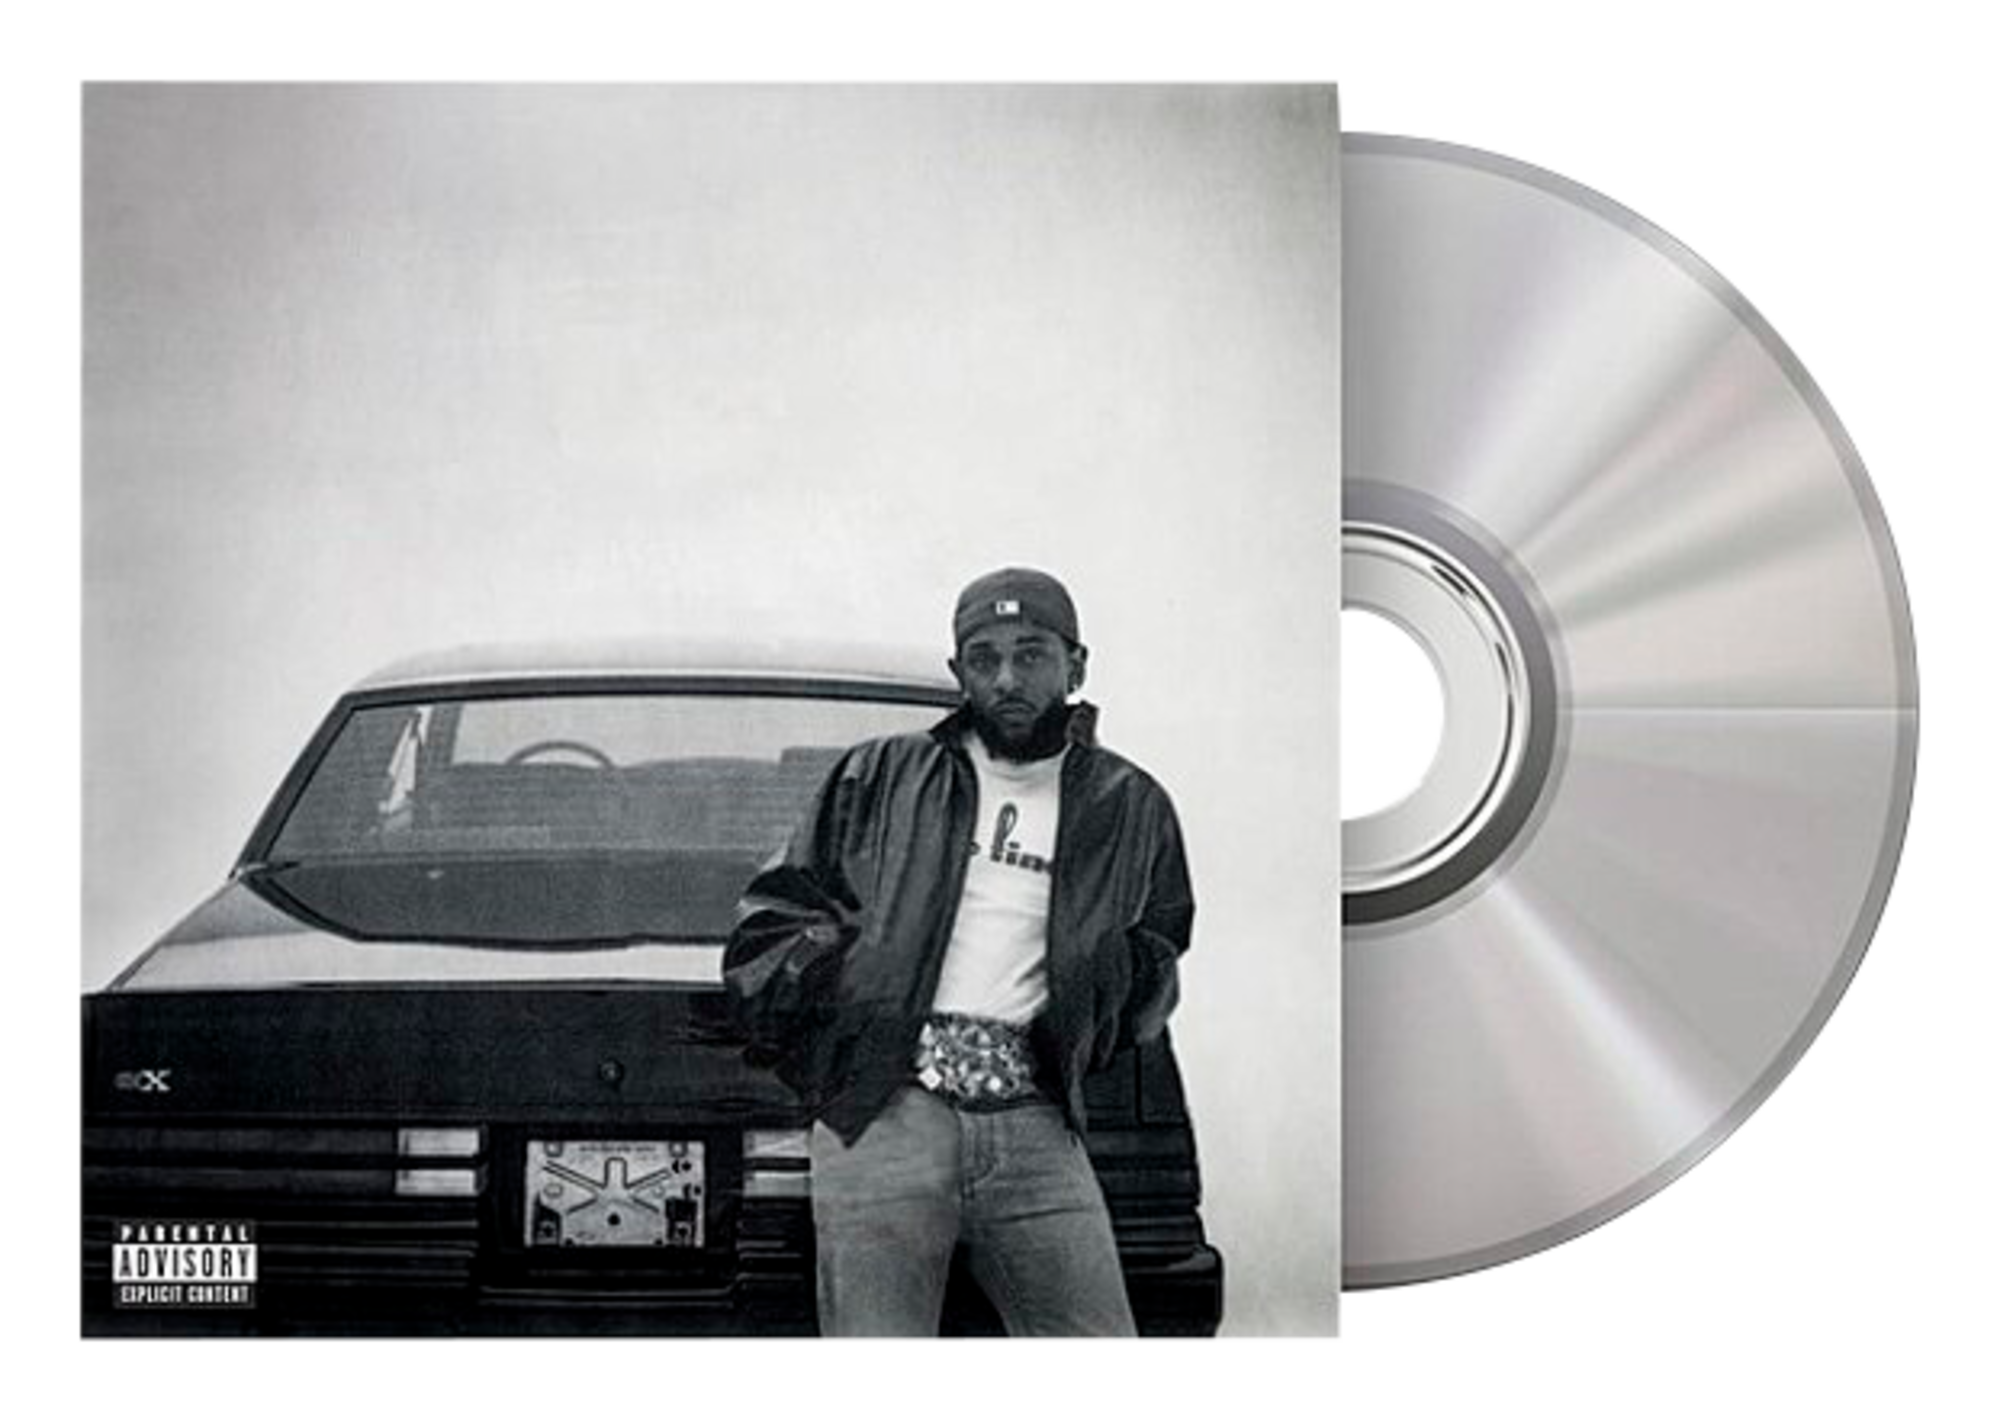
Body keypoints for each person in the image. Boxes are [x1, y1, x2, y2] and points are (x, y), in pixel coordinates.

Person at [724, 567, 1195, 1344]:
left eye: (1031, 653)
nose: (1007, 677)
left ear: (1076, 665)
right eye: (985, 657)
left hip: (1035, 1120)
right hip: (887, 1115)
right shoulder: (880, 775)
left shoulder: (1131, 804)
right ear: (959, 672)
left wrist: (1091, 1024)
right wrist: (854, 1030)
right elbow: (770, 926)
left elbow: (1159, 944)